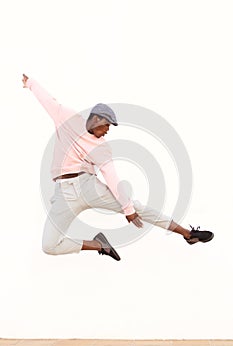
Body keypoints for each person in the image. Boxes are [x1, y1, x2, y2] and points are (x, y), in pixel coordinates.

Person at [22, 74, 214, 261]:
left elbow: (111, 175)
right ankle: (100, 246)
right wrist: (30, 83)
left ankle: (187, 234)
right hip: (64, 194)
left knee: (137, 208)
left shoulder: (102, 146)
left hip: (88, 186)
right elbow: (48, 100)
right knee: (49, 246)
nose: (107, 130)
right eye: (107, 125)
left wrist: (127, 209)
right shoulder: (67, 118)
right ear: (96, 119)